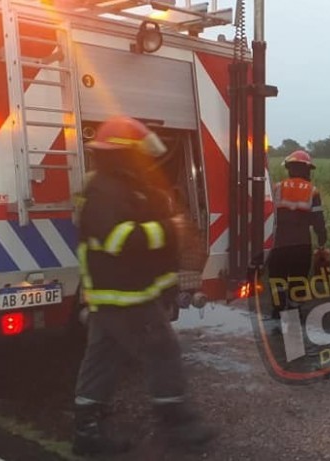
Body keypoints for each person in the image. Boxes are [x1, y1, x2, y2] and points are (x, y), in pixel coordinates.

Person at [73, 116, 215, 455]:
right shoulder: (104, 190)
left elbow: (150, 254)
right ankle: (175, 423)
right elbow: (118, 238)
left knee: (102, 359)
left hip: (118, 294)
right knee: (163, 352)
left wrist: (167, 285)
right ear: (125, 153)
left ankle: (87, 431)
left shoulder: (120, 186)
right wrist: (168, 229)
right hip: (125, 296)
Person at [268, 150, 328, 315]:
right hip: (301, 242)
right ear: (307, 170)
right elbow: (318, 220)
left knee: (277, 275)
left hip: (278, 241)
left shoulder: (277, 188)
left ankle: (277, 307)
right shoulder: (312, 191)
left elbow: (267, 215)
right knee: (298, 276)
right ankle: (294, 308)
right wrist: (322, 240)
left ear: (289, 168)